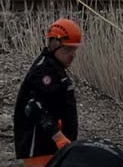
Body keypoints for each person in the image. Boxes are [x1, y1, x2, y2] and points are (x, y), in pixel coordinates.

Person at [14, 18, 82, 167]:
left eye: (74, 50)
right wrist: (59, 138)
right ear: (55, 44)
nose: (73, 55)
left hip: (54, 147)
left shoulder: (56, 69)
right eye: (68, 50)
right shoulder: (44, 72)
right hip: (40, 147)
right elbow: (34, 108)